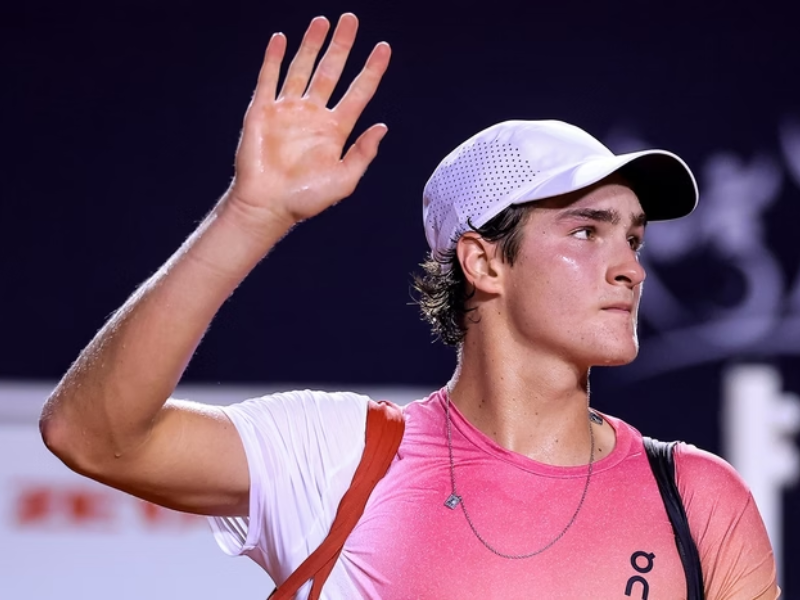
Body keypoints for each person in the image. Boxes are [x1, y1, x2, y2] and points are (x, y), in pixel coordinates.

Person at [40, 12, 779, 600]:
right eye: (586, 231)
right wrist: (249, 215)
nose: (630, 269)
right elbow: (91, 435)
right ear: (484, 261)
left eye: (635, 239)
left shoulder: (697, 498)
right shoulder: (337, 457)